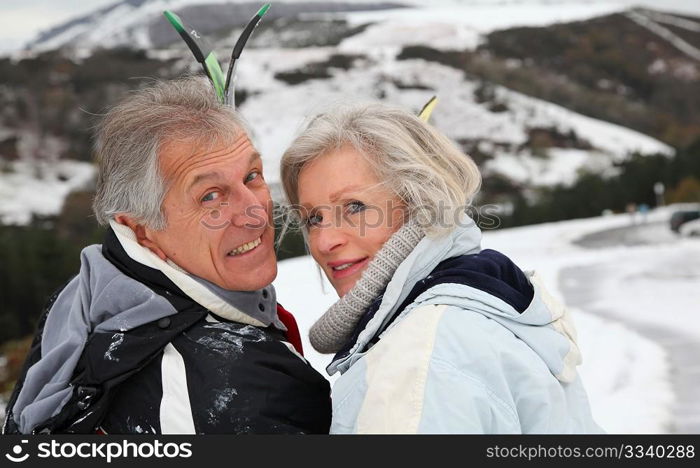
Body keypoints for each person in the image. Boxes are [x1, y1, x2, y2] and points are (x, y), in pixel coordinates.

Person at [3, 77, 331, 434]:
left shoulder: (85, 301)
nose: (255, 212)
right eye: (210, 196)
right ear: (140, 228)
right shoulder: (239, 388)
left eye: (252, 175)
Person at [280, 102, 602, 433]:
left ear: (421, 202)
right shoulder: (473, 304)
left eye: (355, 207)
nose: (324, 241)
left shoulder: (418, 358)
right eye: (314, 218)